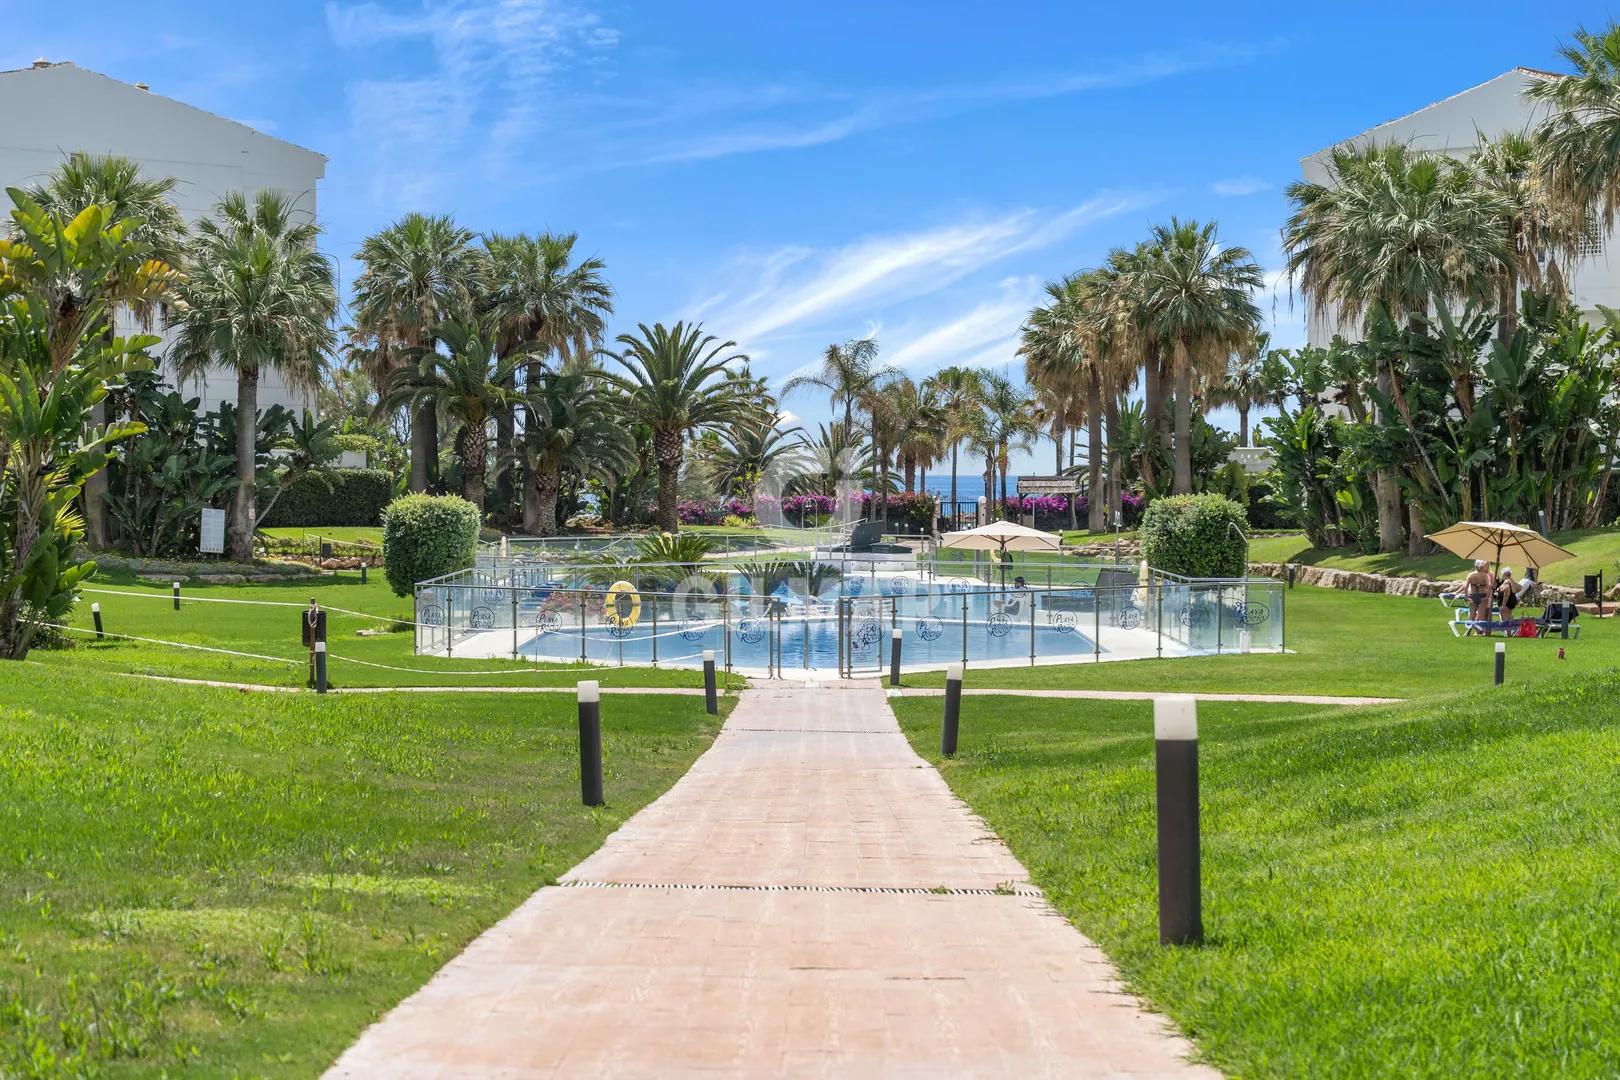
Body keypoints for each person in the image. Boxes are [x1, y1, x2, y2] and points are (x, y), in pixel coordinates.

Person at [1463, 559, 1494, 632]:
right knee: (1481, 616)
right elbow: (1489, 586)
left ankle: (1469, 632)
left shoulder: (1470, 575)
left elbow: (1465, 586)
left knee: (1472, 616)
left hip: (1473, 596)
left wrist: (1466, 596)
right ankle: (1482, 631)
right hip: (1482, 597)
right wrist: (1487, 596)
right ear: (1482, 566)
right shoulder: (1485, 576)